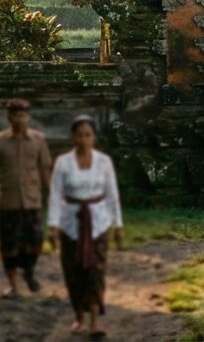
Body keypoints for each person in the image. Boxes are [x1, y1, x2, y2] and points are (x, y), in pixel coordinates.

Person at [47, 115, 123, 339]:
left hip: (98, 223)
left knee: (95, 271)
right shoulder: (63, 162)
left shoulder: (103, 162)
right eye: (79, 135)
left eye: (88, 135)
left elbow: (112, 194)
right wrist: (52, 225)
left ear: (94, 137)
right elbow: (55, 195)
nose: (83, 139)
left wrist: (118, 225)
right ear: (73, 137)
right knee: (73, 270)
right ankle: (78, 316)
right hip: (70, 223)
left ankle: (94, 322)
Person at [0, 97, 52, 297]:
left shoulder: (38, 140)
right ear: (9, 117)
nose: (19, 119)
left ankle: (29, 271)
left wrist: (52, 193)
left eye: (23, 115)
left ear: (27, 117)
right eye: (15, 115)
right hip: (8, 201)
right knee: (8, 245)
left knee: (35, 241)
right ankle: (13, 285)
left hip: (32, 199)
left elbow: (45, 169)